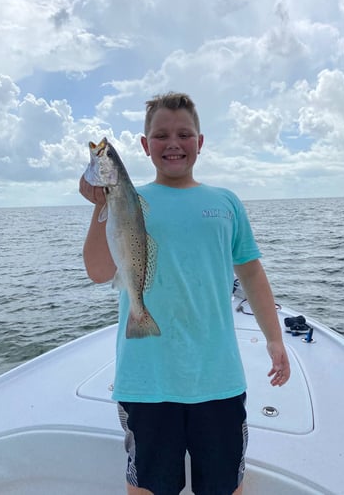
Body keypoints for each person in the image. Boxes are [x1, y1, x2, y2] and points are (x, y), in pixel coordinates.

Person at [79, 92, 290, 495]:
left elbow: (251, 272)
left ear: (200, 142)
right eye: (160, 135)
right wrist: (101, 202)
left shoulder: (226, 202)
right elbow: (99, 271)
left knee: (225, 485)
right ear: (144, 145)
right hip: (146, 378)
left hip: (218, 377)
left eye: (183, 134)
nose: (172, 143)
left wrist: (274, 337)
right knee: (149, 486)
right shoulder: (129, 198)